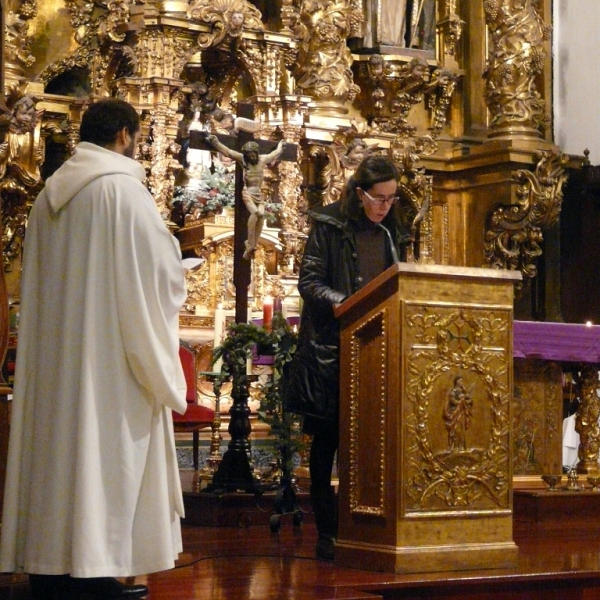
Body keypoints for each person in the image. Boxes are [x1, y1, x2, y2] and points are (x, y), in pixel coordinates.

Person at [0, 98, 189, 599]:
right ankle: (94, 566)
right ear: (125, 135)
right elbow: (160, 275)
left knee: (57, 456)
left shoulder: (49, 196)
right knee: (104, 458)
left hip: (55, 362)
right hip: (107, 364)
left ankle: (48, 562)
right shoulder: (122, 191)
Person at [284, 155, 412, 561]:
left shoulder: (390, 231)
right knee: (327, 445)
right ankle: (328, 533)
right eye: (379, 199)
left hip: (376, 354)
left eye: (392, 199)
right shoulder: (328, 227)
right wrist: (350, 304)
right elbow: (310, 282)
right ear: (359, 194)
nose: (385, 207)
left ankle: (368, 526)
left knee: (372, 444)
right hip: (331, 355)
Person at [205, 134, 284, 259]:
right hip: (248, 192)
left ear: (257, 153)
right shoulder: (243, 160)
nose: (251, 156)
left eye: (253, 153)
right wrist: (215, 142)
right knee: (255, 213)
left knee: (262, 216)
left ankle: (252, 244)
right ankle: (249, 244)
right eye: (249, 154)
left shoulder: (262, 160)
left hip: (258, 193)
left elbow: (274, 154)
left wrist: (280, 146)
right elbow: (228, 152)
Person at [443, 376, 473, 451]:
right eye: (460, 381)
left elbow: (469, 400)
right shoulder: (453, 392)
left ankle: (462, 446)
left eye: (462, 381)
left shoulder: (463, 391)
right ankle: (453, 446)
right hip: (455, 413)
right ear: (456, 382)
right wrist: (462, 401)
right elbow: (453, 401)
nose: (462, 383)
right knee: (455, 429)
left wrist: (467, 397)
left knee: (462, 429)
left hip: (461, 413)